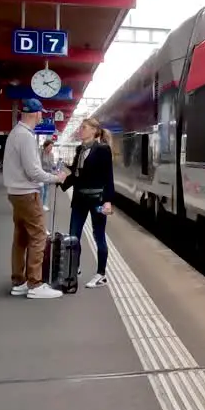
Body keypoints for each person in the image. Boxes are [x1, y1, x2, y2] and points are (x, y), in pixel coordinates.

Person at [3, 98, 67, 299]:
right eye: (41, 113)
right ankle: (35, 284)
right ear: (37, 114)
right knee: (38, 236)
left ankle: (19, 281)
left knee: (20, 238)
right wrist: (56, 178)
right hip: (28, 194)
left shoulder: (16, 133)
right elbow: (33, 171)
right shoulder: (26, 136)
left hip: (16, 193)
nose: (42, 116)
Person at [61, 117, 116, 289]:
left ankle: (101, 274)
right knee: (73, 234)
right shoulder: (80, 149)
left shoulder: (102, 150)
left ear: (94, 130)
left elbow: (108, 177)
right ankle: (74, 268)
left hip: (97, 200)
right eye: (80, 127)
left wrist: (108, 201)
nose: (80, 130)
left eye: (84, 127)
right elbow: (77, 175)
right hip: (79, 200)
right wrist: (59, 181)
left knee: (99, 235)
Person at [40, 139, 56, 212]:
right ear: (45, 146)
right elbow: (38, 164)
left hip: (48, 174)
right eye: (50, 147)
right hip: (40, 174)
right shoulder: (40, 153)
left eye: (52, 147)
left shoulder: (51, 154)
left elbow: (52, 164)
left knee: (46, 190)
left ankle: (44, 205)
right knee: (42, 190)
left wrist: (56, 168)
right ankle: (39, 205)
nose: (51, 148)